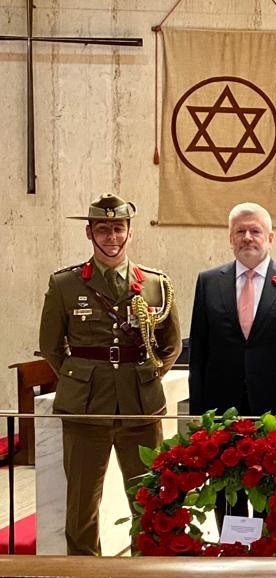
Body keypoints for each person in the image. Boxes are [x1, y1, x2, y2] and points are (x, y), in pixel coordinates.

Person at [39, 194, 182, 555]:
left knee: (147, 499)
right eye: (103, 229)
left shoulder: (155, 284)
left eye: (118, 228)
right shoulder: (65, 285)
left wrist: (147, 377)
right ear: (89, 233)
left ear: (130, 233)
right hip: (86, 410)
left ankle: (144, 574)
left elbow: (171, 345)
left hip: (139, 406)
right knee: (82, 505)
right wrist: (81, 379)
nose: (111, 236)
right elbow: (52, 347)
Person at [188, 202, 276, 527]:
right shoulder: (208, 282)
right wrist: (198, 414)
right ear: (230, 238)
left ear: (270, 237)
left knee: (270, 491)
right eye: (240, 231)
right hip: (220, 409)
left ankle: (265, 560)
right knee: (226, 491)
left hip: (274, 409)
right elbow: (198, 353)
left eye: (255, 230)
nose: (248, 237)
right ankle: (230, 558)